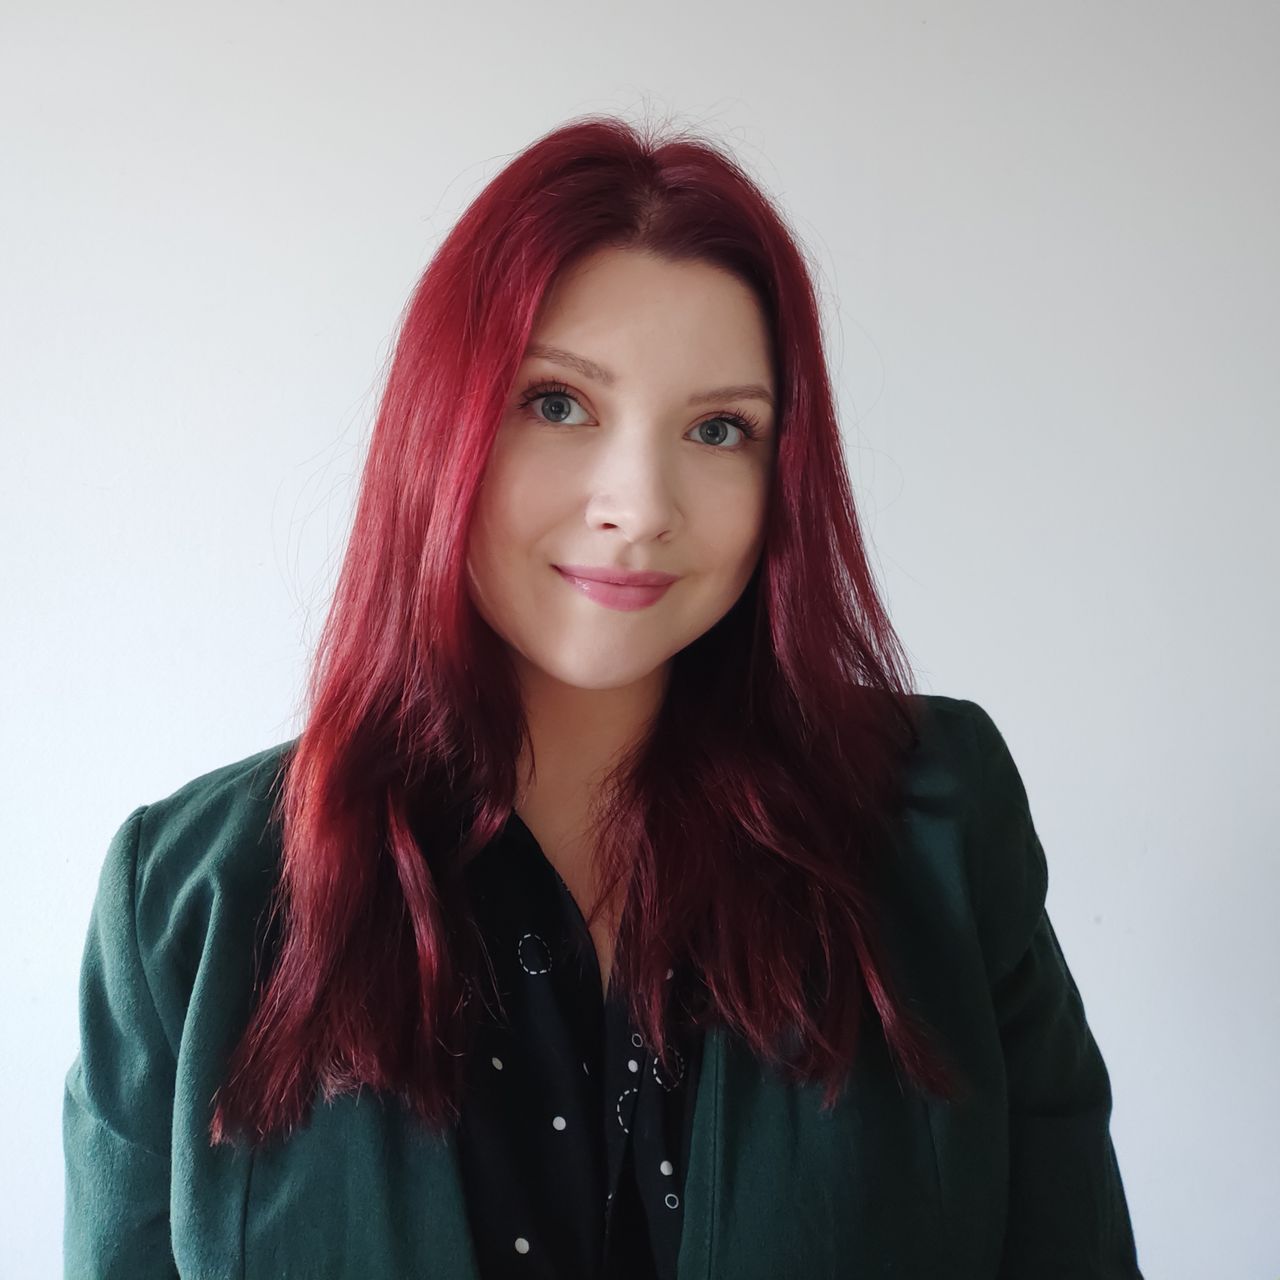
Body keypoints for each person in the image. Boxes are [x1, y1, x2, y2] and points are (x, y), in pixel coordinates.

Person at [63, 114, 1143, 1278]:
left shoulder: (936, 821)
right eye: (558, 403)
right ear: (441, 425)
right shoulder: (187, 899)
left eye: (719, 428)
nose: (639, 505)